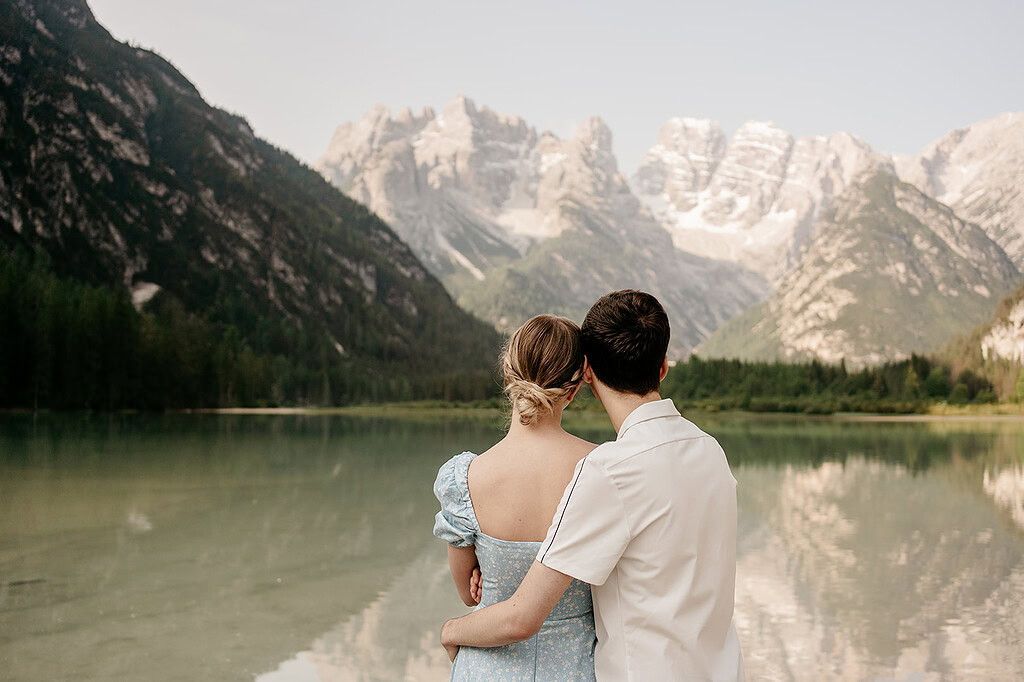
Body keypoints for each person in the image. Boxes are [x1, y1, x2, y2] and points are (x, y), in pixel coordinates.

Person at [439, 290, 745, 681]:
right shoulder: (710, 451)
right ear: (664, 367)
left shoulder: (609, 472)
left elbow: (522, 617)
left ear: (587, 372)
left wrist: (453, 630)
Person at [433, 314, 599, 680]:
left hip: (487, 665)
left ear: (508, 374)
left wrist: (489, 571)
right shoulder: (602, 468)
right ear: (574, 389)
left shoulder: (465, 480)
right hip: (575, 666)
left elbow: (468, 594)